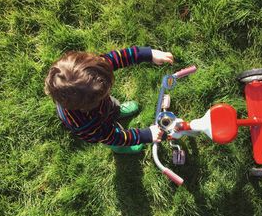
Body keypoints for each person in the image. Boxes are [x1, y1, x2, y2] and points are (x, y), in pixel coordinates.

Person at [44, 46, 174, 154]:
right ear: (89, 105)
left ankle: (116, 111)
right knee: (112, 135)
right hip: (99, 126)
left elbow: (121, 56)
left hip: (102, 107)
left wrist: (150, 54)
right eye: (105, 93)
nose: (109, 91)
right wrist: (146, 135)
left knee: (112, 106)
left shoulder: (93, 69)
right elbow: (112, 137)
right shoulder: (85, 125)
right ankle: (120, 148)